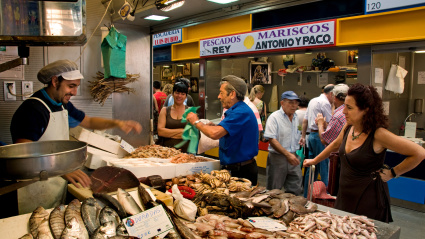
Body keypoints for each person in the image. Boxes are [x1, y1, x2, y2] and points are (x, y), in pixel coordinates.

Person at [9, 59, 142, 214]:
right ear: (54, 81)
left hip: (54, 184)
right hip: (33, 186)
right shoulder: (34, 110)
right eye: (70, 86)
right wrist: (62, 170)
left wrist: (118, 123)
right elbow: (24, 152)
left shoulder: (62, 104)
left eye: (76, 87)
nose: (74, 92)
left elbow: (89, 121)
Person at [304, 83, 425, 222]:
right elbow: (335, 145)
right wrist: (315, 160)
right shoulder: (349, 127)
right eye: (344, 106)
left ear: (366, 110)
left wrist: (393, 173)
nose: (343, 112)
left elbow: (419, 153)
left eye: (349, 108)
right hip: (344, 196)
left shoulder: (379, 134)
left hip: (368, 199)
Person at [186, 75, 259, 185]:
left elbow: (215, 134)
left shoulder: (240, 112)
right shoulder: (235, 110)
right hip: (233, 168)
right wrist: (214, 125)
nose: (219, 96)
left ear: (232, 94)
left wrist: (196, 121)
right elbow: (227, 131)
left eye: (221, 93)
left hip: (241, 172)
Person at [264, 91, 302, 195]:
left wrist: (301, 137)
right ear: (282, 103)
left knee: (296, 189)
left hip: (293, 157)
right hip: (278, 158)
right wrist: (287, 154)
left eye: (296, 103)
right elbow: (271, 139)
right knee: (273, 190)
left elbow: (298, 130)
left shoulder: (296, 117)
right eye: (290, 102)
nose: (294, 106)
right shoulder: (274, 117)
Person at [300, 84, 334, 197]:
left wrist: (303, 136)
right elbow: (329, 123)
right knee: (324, 167)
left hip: (311, 136)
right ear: (331, 94)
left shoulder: (313, 100)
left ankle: (306, 195)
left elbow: (305, 120)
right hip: (320, 137)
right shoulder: (325, 103)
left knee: (311, 166)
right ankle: (325, 197)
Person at [316, 84, 349, 195]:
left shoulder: (339, 114)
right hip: (348, 158)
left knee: (335, 190)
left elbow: (325, 140)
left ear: (334, 97)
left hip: (337, 159)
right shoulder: (347, 113)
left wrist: (320, 124)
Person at [157, 81, 190, 153]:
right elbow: (160, 132)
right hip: (166, 153)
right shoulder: (165, 110)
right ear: (172, 94)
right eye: (177, 93)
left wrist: (168, 133)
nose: (179, 96)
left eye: (183, 94)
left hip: (185, 154)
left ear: (186, 96)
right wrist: (181, 131)